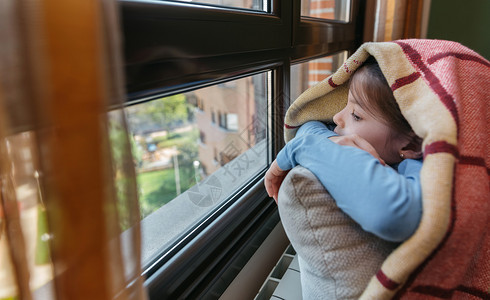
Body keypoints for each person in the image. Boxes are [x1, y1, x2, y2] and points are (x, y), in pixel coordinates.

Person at [264, 57, 423, 242]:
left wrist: (307, 147)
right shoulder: (381, 146)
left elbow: (393, 216)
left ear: (411, 145)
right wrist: (329, 140)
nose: (336, 116)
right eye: (344, 105)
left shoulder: (426, 171)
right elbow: (309, 126)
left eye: (355, 115)